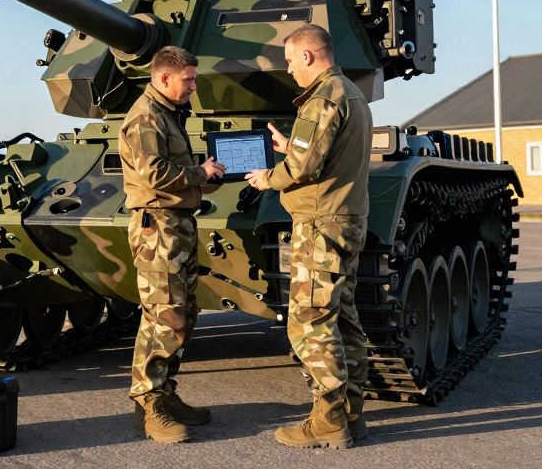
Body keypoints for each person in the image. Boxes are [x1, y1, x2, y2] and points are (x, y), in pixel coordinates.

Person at [245, 23, 372, 450]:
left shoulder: (322, 99)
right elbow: (318, 155)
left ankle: (328, 421)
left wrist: (269, 176)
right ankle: (351, 414)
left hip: (320, 222)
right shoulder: (351, 93)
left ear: (307, 55)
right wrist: (290, 149)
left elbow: (302, 169)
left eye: (289, 61)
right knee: (343, 318)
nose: (289, 70)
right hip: (346, 217)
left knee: (310, 322)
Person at [118, 45, 226, 444]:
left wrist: (201, 176)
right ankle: (150, 405)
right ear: (164, 78)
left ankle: (164, 393)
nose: (194, 87)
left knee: (183, 313)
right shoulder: (146, 117)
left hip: (175, 226)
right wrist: (200, 172)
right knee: (164, 317)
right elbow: (153, 173)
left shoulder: (166, 114)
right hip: (158, 228)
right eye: (189, 80)